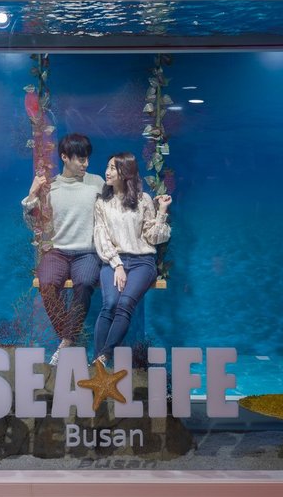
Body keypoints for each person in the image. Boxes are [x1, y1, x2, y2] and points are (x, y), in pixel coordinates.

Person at [22, 133, 105, 365]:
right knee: (45, 283)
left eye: (87, 159)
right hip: (57, 251)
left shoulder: (97, 183)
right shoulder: (51, 187)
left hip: (87, 252)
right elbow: (33, 223)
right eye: (80, 159)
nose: (85, 164)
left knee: (86, 282)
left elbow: (118, 207)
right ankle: (69, 341)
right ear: (64, 157)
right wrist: (32, 194)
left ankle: (66, 344)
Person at [92, 151, 171, 365]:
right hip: (113, 260)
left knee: (125, 303)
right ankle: (99, 362)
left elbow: (153, 237)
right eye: (107, 167)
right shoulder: (102, 203)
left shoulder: (143, 200)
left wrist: (162, 211)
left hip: (142, 262)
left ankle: (102, 358)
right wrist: (117, 264)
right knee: (109, 304)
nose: (107, 172)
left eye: (112, 168)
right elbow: (101, 237)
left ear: (125, 172)